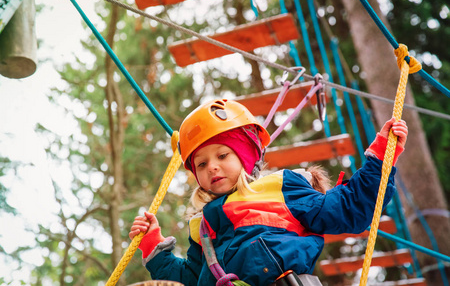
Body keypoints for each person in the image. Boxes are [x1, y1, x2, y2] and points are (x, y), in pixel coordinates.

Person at [129, 99, 408, 286]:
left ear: (246, 155)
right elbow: (191, 278)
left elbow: (346, 208)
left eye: (223, 155)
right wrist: (153, 244)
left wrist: (380, 159)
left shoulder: (280, 188)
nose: (212, 167)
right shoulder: (202, 226)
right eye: (201, 164)